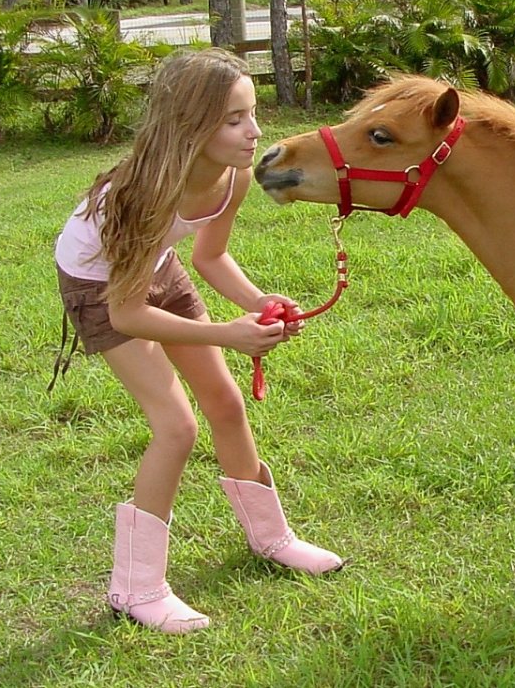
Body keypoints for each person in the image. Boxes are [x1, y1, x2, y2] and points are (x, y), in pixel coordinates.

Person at [52, 48, 343, 634]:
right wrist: (226, 335)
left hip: (153, 265)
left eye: (252, 113)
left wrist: (256, 303)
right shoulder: (137, 194)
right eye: (235, 119)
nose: (254, 132)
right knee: (176, 426)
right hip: (99, 286)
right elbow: (128, 313)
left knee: (227, 403)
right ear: (190, 126)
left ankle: (272, 538)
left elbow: (210, 256)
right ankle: (136, 589)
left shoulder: (233, 176)